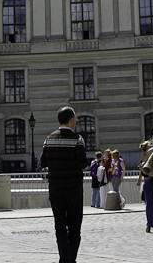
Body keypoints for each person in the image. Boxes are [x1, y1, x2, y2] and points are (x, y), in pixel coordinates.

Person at [39, 106, 88, 263]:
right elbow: (83, 164)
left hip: (56, 188)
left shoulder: (49, 139)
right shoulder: (77, 140)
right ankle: (70, 259)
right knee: (75, 226)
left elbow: (43, 162)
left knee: (60, 226)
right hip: (74, 189)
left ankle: (64, 259)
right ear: (72, 120)